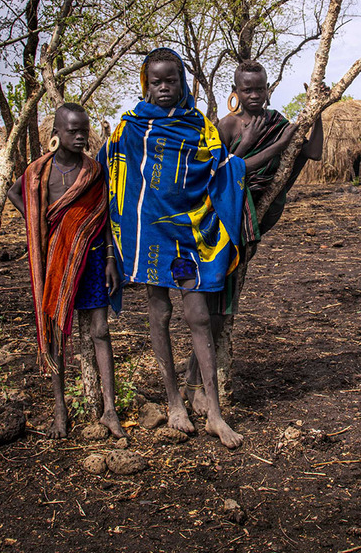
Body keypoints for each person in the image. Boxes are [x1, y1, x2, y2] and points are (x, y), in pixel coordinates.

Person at [101, 48, 246, 449]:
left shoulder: (199, 125)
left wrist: (239, 162)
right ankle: (173, 402)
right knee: (159, 312)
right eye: (157, 81)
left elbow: (220, 166)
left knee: (198, 314)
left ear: (183, 82)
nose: (164, 88)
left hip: (191, 230)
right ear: (145, 84)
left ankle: (214, 412)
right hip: (150, 235)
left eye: (172, 80)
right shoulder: (130, 127)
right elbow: (112, 172)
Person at [185, 60, 324, 409]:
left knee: (219, 308)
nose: (254, 95)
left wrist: (318, 112)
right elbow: (219, 173)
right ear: (236, 91)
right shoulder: (227, 125)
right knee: (214, 307)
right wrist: (248, 143)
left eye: (260, 88)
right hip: (225, 220)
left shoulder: (277, 122)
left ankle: (196, 382)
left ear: (267, 89)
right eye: (247, 89)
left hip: (258, 214)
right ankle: (194, 382)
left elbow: (313, 152)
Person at [7, 104, 125, 439]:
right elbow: (15, 193)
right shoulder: (38, 171)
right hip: (55, 261)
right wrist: (39, 221)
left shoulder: (94, 171)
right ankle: (60, 410)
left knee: (101, 331)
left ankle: (110, 410)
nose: (80, 136)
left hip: (92, 258)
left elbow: (104, 216)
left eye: (84, 130)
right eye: (73, 131)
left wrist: (111, 260)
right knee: (56, 333)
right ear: (56, 133)